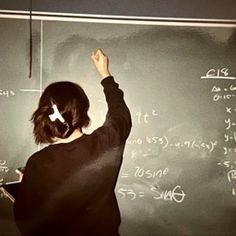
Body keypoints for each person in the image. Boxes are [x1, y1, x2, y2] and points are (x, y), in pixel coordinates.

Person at [13, 49, 132, 236]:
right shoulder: (106, 142)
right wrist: (105, 75)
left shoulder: (37, 164)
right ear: (82, 111)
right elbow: (120, 113)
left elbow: (25, 222)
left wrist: (23, 189)